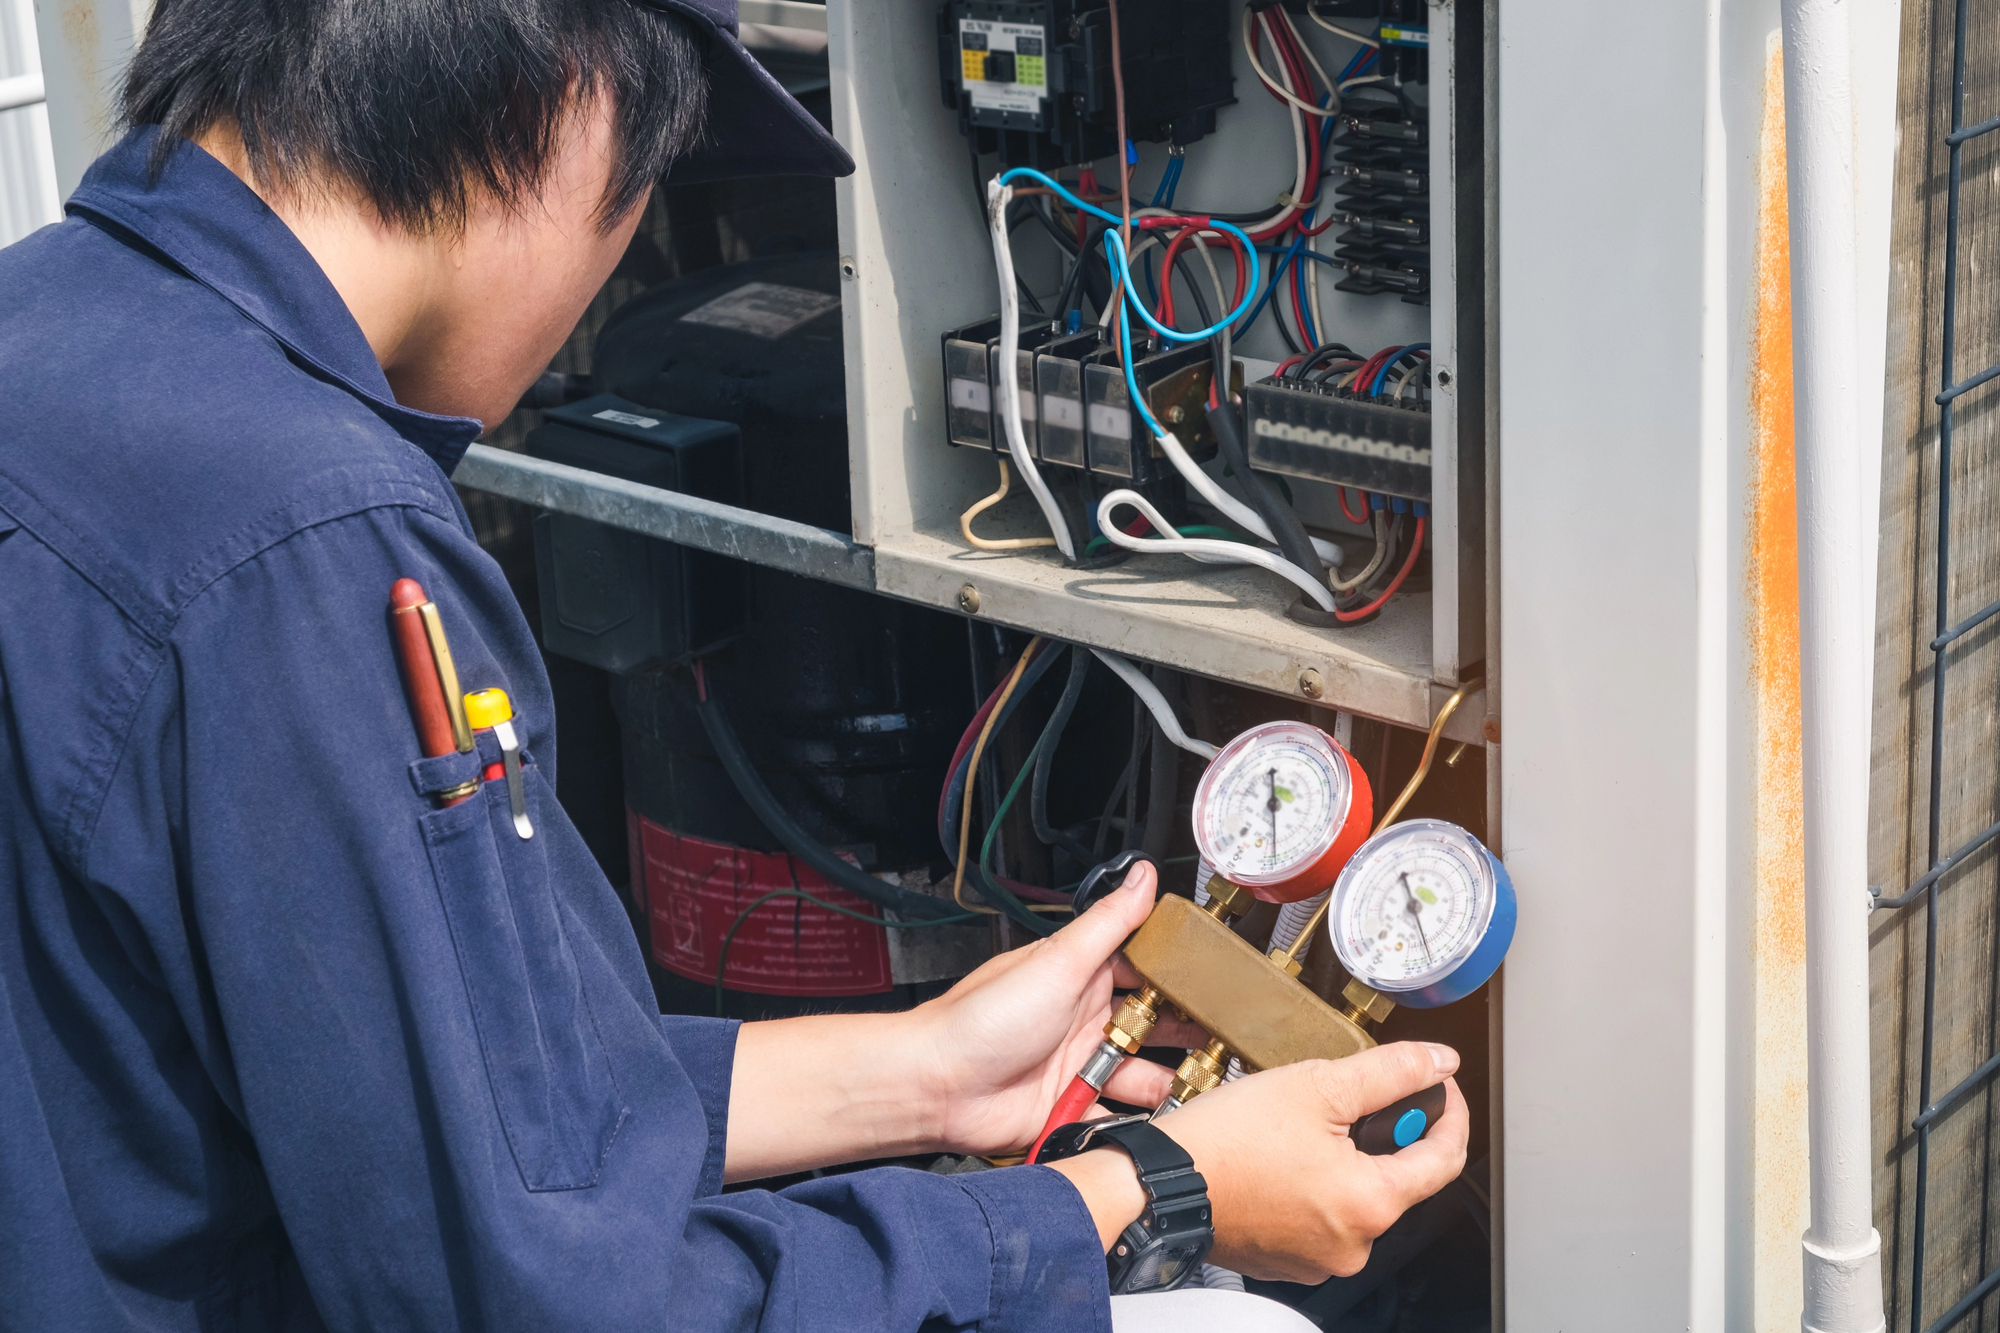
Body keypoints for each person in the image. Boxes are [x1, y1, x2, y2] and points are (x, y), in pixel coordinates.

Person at [0, 1, 1469, 1329]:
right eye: (643, 192)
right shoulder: (314, 537)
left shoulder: (47, 329)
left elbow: (430, 1106)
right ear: (573, 98)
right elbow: (559, 1293)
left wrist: (929, 1066)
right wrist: (1144, 1194)